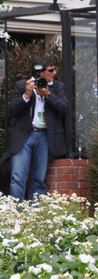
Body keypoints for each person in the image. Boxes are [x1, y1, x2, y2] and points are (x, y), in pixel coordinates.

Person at [6, 60, 69, 200]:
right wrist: (26, 95)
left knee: (39, 178)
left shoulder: (58, 87)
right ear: (40, 72)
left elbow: (65, 109)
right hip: (24, 135)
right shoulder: (22, 85)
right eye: (51, 70)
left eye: (54, 70)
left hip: (45, 136)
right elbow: (12, 111)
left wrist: (48, 95)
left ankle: (35, 213)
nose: (55, 73)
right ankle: (16, 213)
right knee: (18, 176)